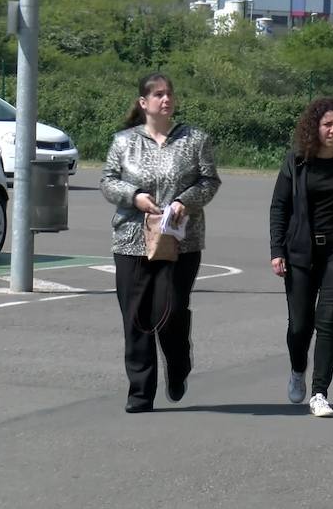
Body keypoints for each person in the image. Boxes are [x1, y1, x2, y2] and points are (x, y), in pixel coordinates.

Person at [100, 73, 221, 413]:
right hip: (131, 240)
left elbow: (210, 180)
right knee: (136, 318)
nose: (165, 100)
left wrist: (185, 201)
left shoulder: (195, 139)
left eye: (169, 94)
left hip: (180, 242)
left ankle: (179, 362)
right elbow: (108, 181)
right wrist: (134, 196)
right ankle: (140, 392)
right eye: (158, 95)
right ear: (143, 103)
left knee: (169, 312)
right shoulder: (124, 142)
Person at [269, 97, 333, 417]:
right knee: (300, 325)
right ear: (315, 127)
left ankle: (319, 392)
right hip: (300, 251)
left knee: (328, 322)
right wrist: (277, 251)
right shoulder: (297, 161)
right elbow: (280, 207)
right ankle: (298, 368)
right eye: (327, 124)